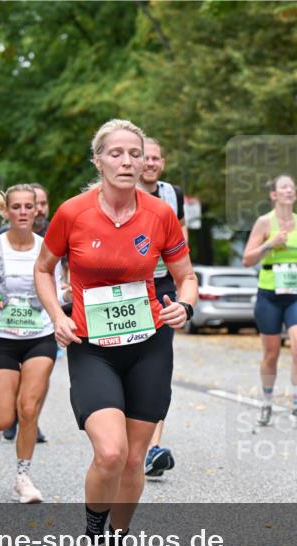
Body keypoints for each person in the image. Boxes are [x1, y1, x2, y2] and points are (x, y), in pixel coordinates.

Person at [34, 119, 197, 546]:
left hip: (149, 345)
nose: (127, 161)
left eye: (135, 153)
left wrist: (185, 306)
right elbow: (44, 270)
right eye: (117, 153)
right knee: (110, 453)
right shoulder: (72, 213)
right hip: (92, 346)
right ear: (99, 161)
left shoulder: (160, 214)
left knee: (133, 462)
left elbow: (186, 276)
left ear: (145, 161)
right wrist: (56, 316)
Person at [0, 184, 64, 503]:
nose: (23, 212)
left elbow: (57, 290)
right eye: (17, 207)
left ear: (37, 210)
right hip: (3, 338)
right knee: (4, 418)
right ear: (6, 211)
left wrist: (66, 301)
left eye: (29, 206)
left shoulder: (49, 248)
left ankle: (23, 478)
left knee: (28, 408)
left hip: (40, 336)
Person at [242, 174, 297, 428]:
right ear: (274, 194)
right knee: (271, 354)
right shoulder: (264, 223)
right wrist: (270, 244)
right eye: (283, 187)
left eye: (292, 187)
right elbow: (247, 259)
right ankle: (266, 403)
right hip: (269, 295)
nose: (289, 190)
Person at [138, 138, 187, 478]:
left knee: (157, 365)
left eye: (157, 158)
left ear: (163, 163)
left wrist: (185, 279)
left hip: (163, 286)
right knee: (130, 362)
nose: (151, 163)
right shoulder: (121, 193)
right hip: (128, 288)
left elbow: (181, 235)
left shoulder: (173, 194)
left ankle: (153, 448)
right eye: (146, 157)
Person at [2, 183, 50, 445]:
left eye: (43, 204)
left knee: (41, 372)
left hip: (44, 314)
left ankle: (31, 419)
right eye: (35, 204)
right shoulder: (5, 233)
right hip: (13, 313)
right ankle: (11, 413)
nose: (39, 209)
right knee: (18, 369)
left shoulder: (56, 230)